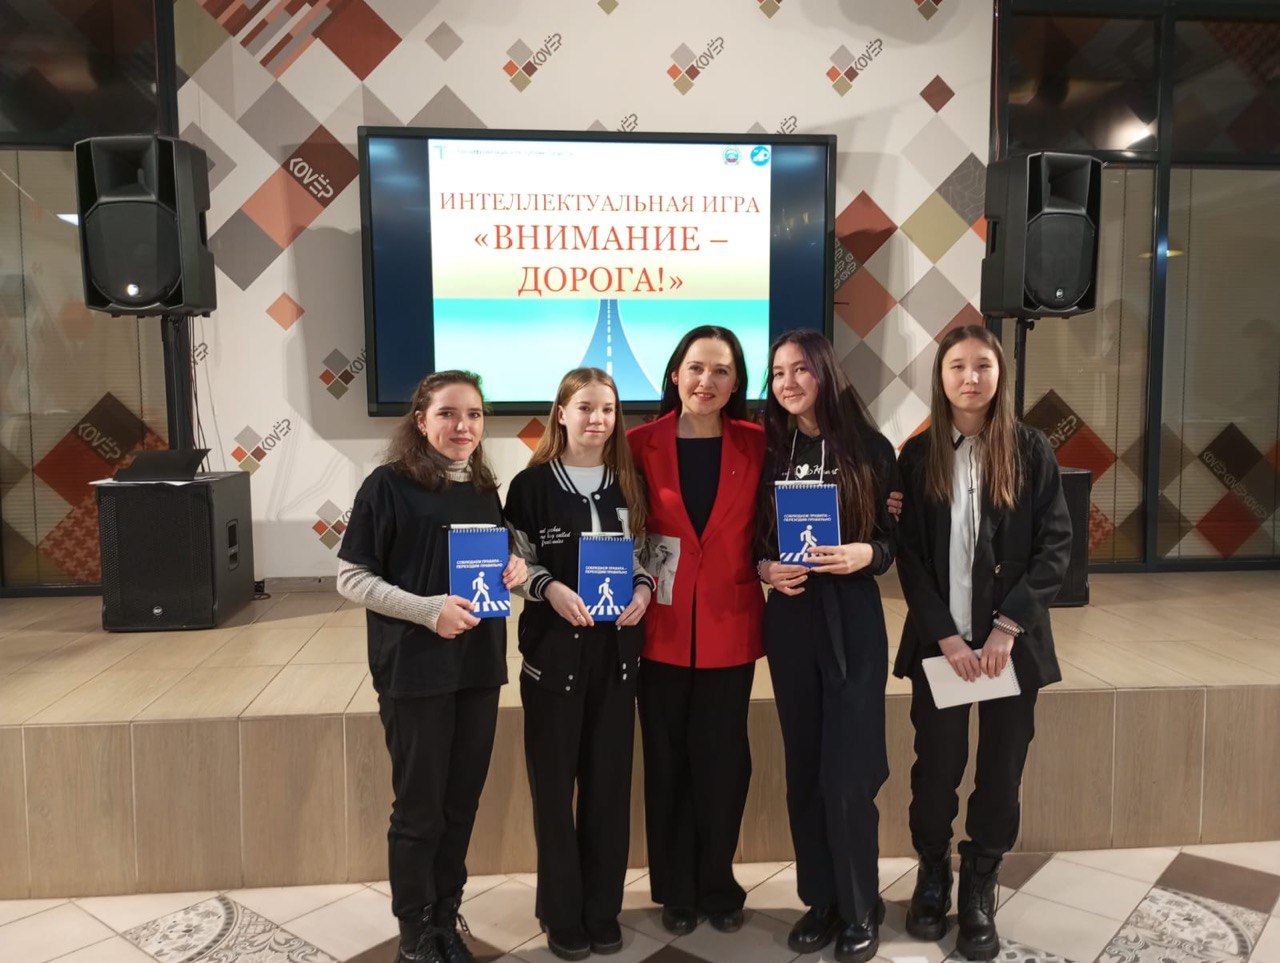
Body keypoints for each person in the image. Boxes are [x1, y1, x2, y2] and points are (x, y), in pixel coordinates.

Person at [336, 370, 527, 963]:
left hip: (478, 668)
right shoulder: (387, 485)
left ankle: (446, 916)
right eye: (447, 413)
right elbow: (351, 578)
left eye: (473, 415)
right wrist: (426, 610)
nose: (462, 426)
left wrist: (516, 566)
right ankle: (415, 929)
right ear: (421, 421)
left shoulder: (483, 488)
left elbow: (494, 561)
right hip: (414, 671)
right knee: (419, 807)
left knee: (460, 802)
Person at [894, 325, 1072, 961]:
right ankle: (932, 872)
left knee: (1001, 771)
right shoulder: (918, 455)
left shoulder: (1030, 449)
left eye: (982, 366)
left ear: (1000, 375)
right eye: (957, 366)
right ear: (940, 377)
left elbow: (1056, 546)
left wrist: (1006, 627)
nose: (970, 378)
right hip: (941, 645)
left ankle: (979, 882)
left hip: (1008, 648)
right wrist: (944, 634)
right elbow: (908, 556)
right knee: (935, 770)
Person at [755, 330, 898, 962]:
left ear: (824, 372)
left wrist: (866, 553)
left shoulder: (870, 448)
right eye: (778, 372)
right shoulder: (769, 450)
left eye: (799, 369)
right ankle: (821, 900)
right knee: (805, 770)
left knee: (847, 773)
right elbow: (752, 540)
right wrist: (765, 569)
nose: (787, 382)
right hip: (791, 620)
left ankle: (861, 904)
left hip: (853, 620)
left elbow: (894, 540)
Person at [503, 368, 656, 961]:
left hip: (616, 661)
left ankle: (601, 910)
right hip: (553, 662)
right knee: (553, 791)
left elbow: (645, 554)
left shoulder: (629, 483)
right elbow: (515, 564)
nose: (598, 419)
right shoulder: (531, 486)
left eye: (608, 409)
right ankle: (562, 913)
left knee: (608, 790)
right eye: (586, 407)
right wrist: (550, 589)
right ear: (561, 413)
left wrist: (642, 590)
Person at [627, 325, 764, 936]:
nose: (707, 381)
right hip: (658, 624)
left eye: (721, 371)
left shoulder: (759, 443)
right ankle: (675, 889)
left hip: (730, 627)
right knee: (667, 761)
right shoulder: (638, 444)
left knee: (724, 763)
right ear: (675, 374)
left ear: (736, 384)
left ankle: (718, 882)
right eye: (696, 368)